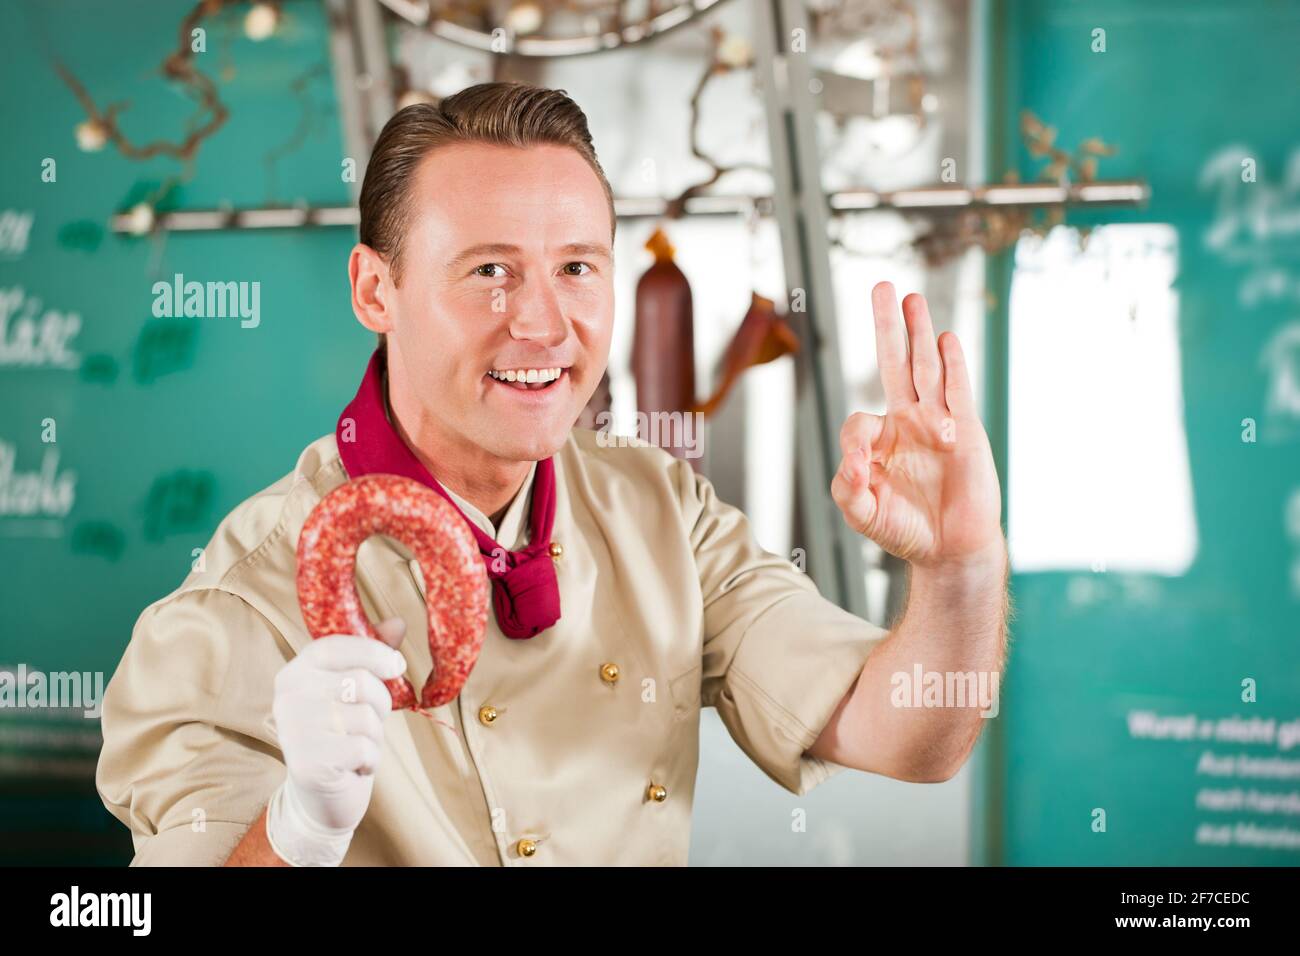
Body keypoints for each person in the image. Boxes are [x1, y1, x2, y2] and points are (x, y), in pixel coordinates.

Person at [95, 82, 1008, 867]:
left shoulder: (660, 510)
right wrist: (296, 831)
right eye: (489, 270)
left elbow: (913, 737)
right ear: (377, 291)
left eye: (577, 267)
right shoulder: (242, 602)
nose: (542, 323)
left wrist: (959, 565)